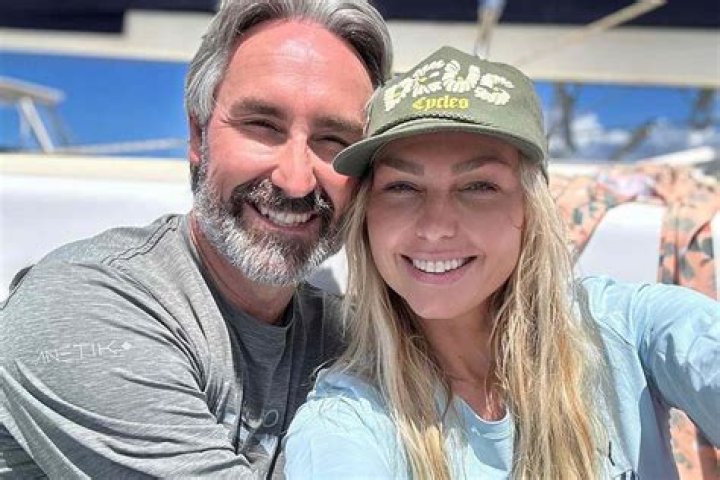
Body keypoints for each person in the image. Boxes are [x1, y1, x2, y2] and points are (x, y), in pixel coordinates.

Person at [283, 46, 720, 478]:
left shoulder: (628, 330)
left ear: (530, 210)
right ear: (366, 217)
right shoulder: (347, 419)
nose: (436, 226)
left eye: (478, 187)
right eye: (403, 187)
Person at [0, 1, 391, 477]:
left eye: (335, 141)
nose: (295, 181)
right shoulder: (82, 306)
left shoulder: (350, 338)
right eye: (262, 126)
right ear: (196, 135)